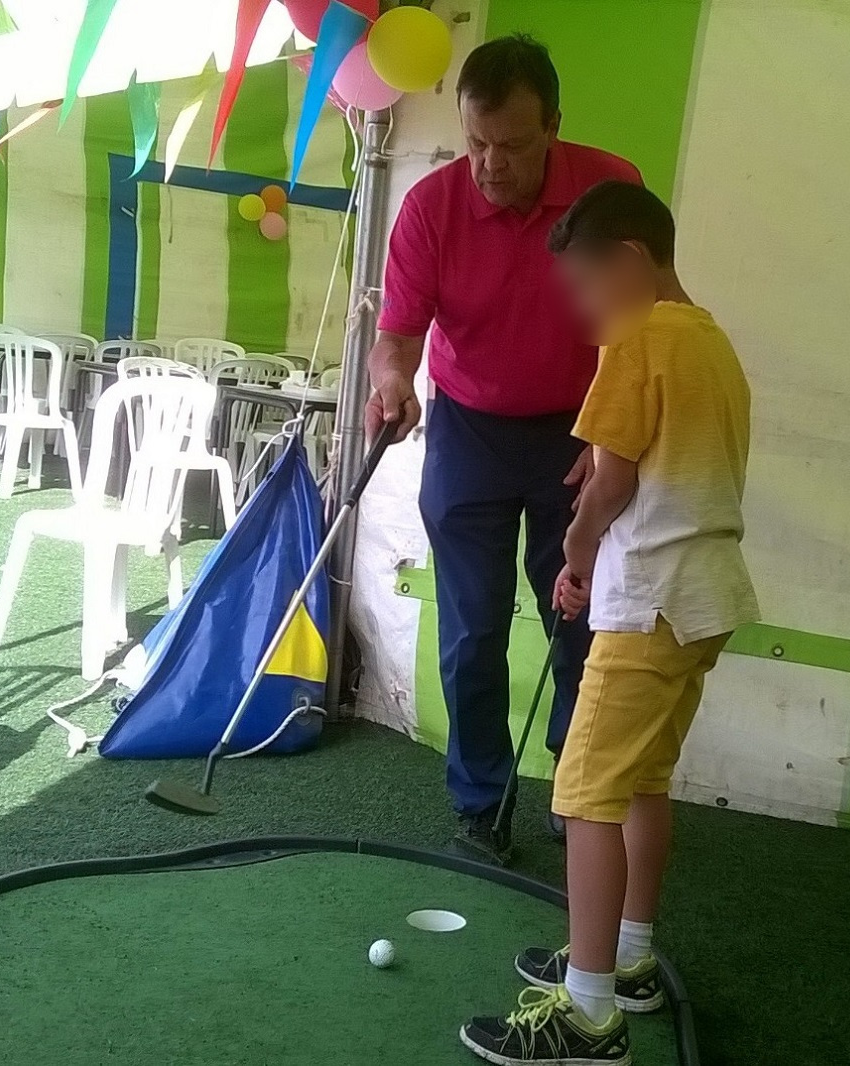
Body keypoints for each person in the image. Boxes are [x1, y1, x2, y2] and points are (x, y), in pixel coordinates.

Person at [459, 181, 761, 1064]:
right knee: (640, 782)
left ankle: (588, 1014)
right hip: (706, 596)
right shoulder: (712, 341)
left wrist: (578, 548)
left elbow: (615, 480)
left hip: (651, 598)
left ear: (630, 261)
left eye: (586, 287)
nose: (583, 311)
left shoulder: (637, 336)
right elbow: (648, 461)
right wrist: (600, 492)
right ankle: (627, 959)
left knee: (586, 789)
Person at [366, 35, 641, 865]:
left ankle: (577, 788)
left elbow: (641, 326)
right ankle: (481, 802)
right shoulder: (431, 206)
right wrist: (393, 383)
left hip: (580, 430)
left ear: (554, 125)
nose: (490, 164)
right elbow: (396, 337)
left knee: (583, 621)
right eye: (476, 142)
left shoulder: (611, 188)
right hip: (469, 431)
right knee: (471, 630)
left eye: (513, 145)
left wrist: (611, 430)